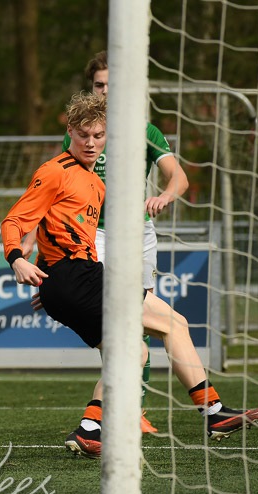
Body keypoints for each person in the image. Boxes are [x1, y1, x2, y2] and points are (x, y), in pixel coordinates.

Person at [2, 91, 258, 459]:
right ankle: (214, 412)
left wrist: (54, 285)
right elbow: (14, 220)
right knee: (173, 324)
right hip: (76, 278)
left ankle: (89, 429)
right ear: (70, 132)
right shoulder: (54, 171)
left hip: (68, 281)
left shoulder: (96, 183)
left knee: (134, 352)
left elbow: (67, 235)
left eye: (98, 136)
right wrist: (17, 258)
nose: (91, 143)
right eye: (84, 135)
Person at [38, 50, 190, 426]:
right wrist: (55, 268)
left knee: (144, 319)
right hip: (96, 235)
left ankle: (134, 408)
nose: (105, 91)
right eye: (99, 85)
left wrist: (165, 195)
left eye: (112, 84)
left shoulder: (144, 131)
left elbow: (178, 176)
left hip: (139, 234)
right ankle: (121, 411)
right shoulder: (81, 135)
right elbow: (56, 193)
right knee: (115, 320)